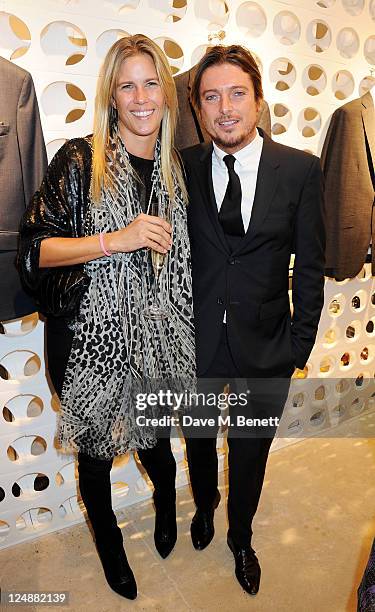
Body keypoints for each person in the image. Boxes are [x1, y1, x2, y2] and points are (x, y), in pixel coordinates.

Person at [17, 34, 195, 600]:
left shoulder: (175, 173)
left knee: (159, 450)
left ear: (165, 94)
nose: (141, 97)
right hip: (89, 347)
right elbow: (32, 252)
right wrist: (111, 241)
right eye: (127, 85)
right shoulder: (80, 159)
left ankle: (167, 508)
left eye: (150, 83)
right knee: (95, 461)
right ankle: (112, 551)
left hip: (158, 346)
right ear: (112, 97)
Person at [181, 45, 325, 596]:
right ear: (197, 109)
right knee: (197, 440)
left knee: (249, 453)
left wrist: (298, 345)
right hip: (193, 344)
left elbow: (310, 265)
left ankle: (240, 536)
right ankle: (205, 506)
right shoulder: (183, 166)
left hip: (266, 347)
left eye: (237, 94)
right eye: (211, 97)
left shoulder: (301, 170)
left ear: (259, 102)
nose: (225, 108)